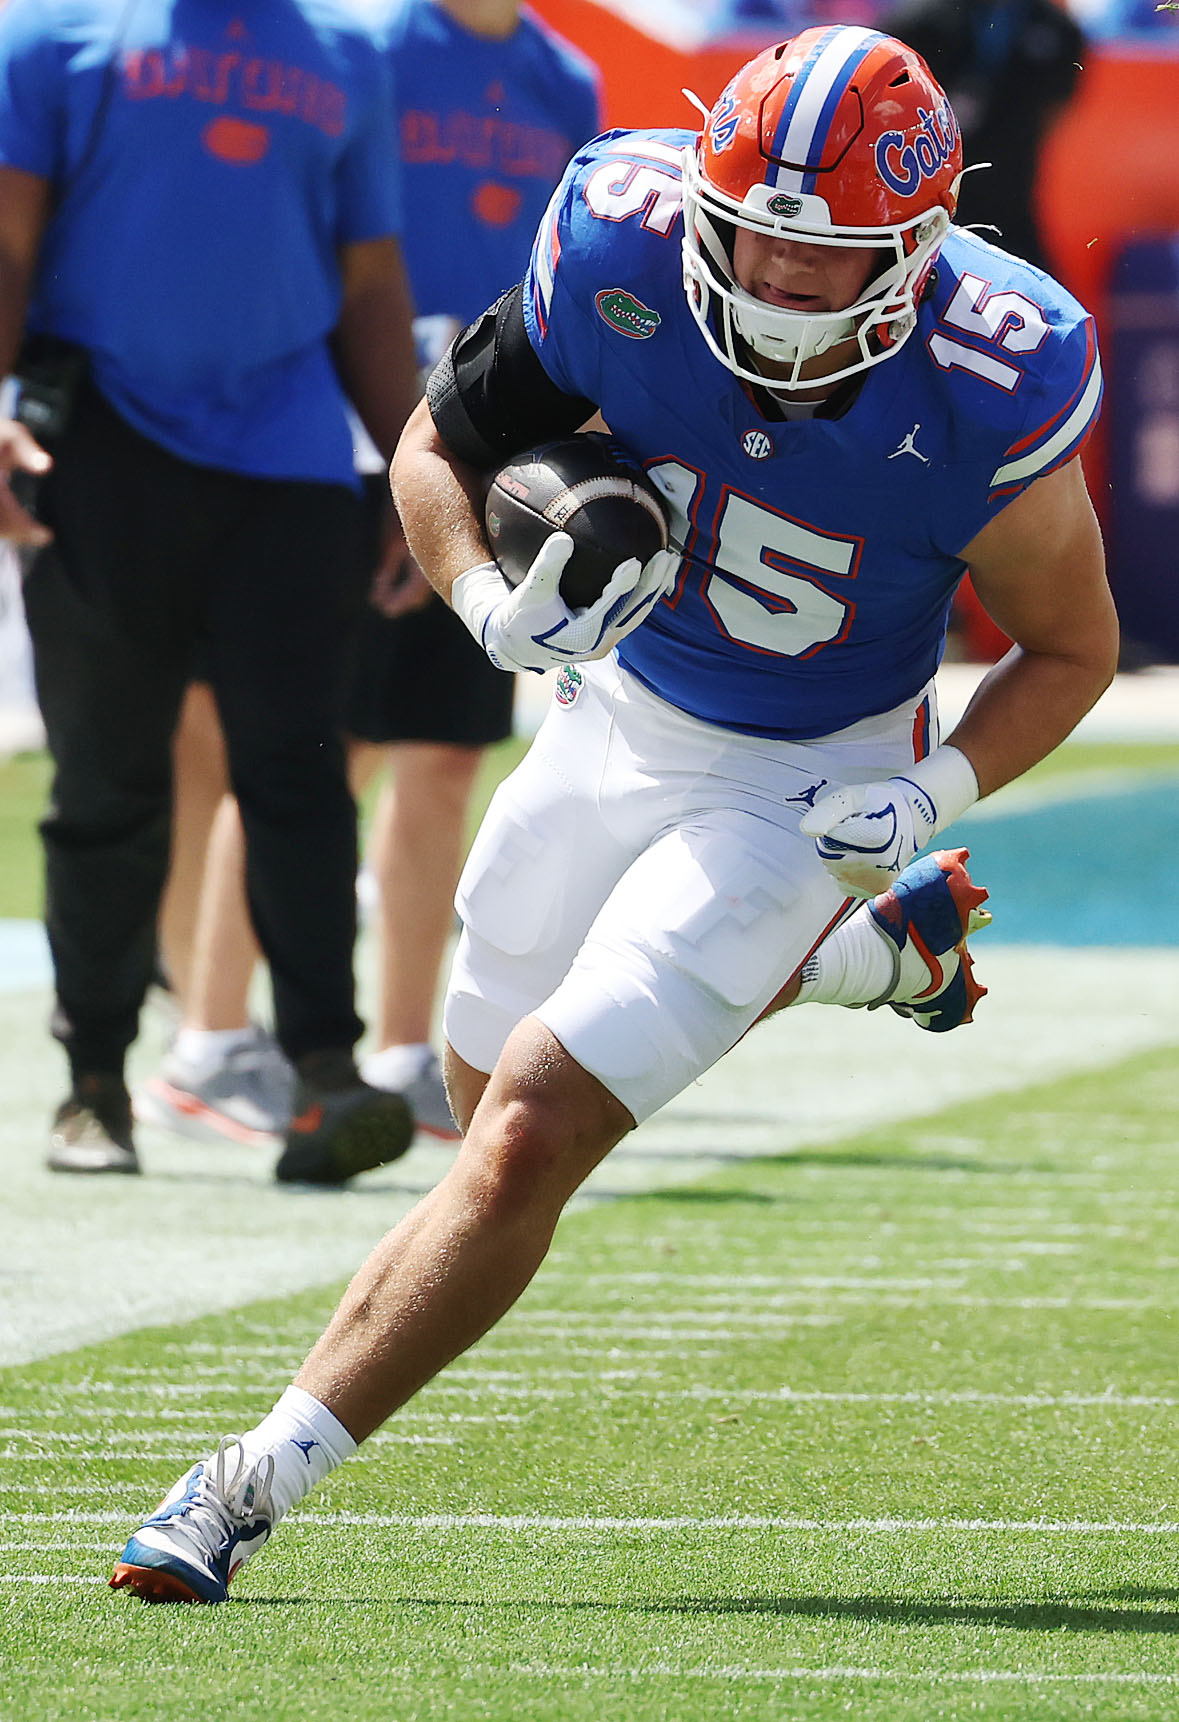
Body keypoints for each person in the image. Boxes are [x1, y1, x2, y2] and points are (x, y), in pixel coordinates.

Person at [108, 26, 1117, 1603]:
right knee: (467, 1073)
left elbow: (1072, 647)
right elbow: (440, 441)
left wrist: (925, 788)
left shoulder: (992, 371)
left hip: (803, 772)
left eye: (822, 252)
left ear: (916, 252)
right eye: (756, 235)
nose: (777, 278)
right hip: (613, 711)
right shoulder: (622, 237)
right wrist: (480, 601)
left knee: (523, 1124)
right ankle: (873, 959)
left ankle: (245, 1482)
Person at [137, 0, 603, 1147]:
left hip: (493, 451)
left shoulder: (566, 78)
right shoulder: (367, 49)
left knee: (444, 759)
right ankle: (207, 1042)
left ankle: (407, 1051)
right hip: (354, 433)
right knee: (313, 747)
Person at [0, 0, 422, 1182]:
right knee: (108, 780)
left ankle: (325, 1080)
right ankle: (93, 1082)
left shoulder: (347, 56)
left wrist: (407, 465)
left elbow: (371, 270)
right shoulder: (53, 38)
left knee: (297, 771)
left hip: (289, 457)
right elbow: (10, 242)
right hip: (101, 450)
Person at [879, 0, 1086, 276]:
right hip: (931, 205)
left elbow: (1058, 106)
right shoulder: (921, 19)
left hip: (1012, 201)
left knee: (1042, 299)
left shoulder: (1055, 27)